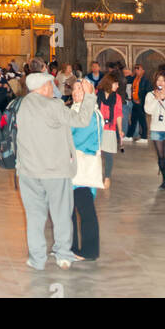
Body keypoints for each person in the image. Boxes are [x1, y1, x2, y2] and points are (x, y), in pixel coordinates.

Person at [16, 73, 97, 270]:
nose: (54, 88)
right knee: (61, 215)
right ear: (44, 87)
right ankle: (63, 255)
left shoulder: (22, 105)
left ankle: (37, 259)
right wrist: (89, 96)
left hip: (28, 172)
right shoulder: (54, 106)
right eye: (51, 84)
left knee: (34, 217)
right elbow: (81, 120)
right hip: (55, 172)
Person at [71, 95, 104, 260]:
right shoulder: (74, 110)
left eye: (80, 89)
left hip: (82, 169)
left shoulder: (91, 114)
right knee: (67, 209)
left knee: (85, 210)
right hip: (73, 168)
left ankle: (90, 250)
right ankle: (70, 247)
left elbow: (77, 138)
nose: (76, 92)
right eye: (75, 88)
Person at [97, 73, 123, 187]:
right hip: (97, 128)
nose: (117, 86)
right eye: (116, 84)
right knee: (96, 154)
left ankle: (107, 177)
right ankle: (96, 176)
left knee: (108, 155)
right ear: (109, 83)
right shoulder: (98, 95)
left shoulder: (117, 98)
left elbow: (118, 114)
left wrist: (120, 130)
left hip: (110, 128)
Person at [126, 64, 149, 142]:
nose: (137, 71)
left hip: (141, 103)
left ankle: (144, 137)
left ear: (143, 71)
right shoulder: (134, 79)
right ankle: (129, 135)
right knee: (133, 120)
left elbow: (148, 92)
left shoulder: (145, 80)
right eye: (135, 69)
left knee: (142, 120)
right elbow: (132, 88)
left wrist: (141, 100)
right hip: (135, 102)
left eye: (138, 69)